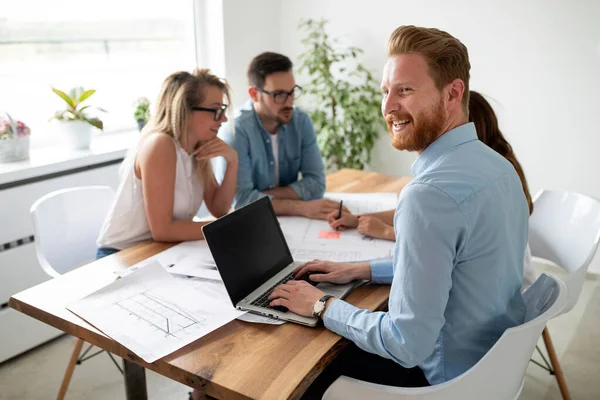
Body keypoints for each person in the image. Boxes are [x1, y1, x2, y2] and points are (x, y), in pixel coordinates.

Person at [268, 25, 529, 396]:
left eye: (405, 90)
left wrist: (322, 305)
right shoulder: (499, 168)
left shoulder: (428, 196)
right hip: (490, 367)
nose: (388, 107)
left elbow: (406, 344)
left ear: (453, 93)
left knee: (290, 371)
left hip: (443, 381)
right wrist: (362, 270)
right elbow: (456, 263)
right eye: (385, 91)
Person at [327, 90, 537, 287]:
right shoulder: (500, 166)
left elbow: (438, 248)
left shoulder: (474, 181)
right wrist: (359, 219)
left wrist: (384, 231)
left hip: (506, 295)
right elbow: (418, 218)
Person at [96, 69, 238, 258]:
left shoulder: (197, 149)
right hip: (123, 255)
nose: (224, 119)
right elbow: (163, 230)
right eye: (215, 110)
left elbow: (219, 210)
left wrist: (232, 161)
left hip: (163, 251)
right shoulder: (160, 145)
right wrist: (230, 228)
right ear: (185, 110)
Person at [219, 52, 342, 219]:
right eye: (279, 94)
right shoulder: (237, 129)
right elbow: (241, 201)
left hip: (287, 221)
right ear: (254, 94)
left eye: (292, 92)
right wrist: (301, 207)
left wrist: (261, 196)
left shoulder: (301, 121)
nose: (289, 102)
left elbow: (316, 184)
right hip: (254, 222)